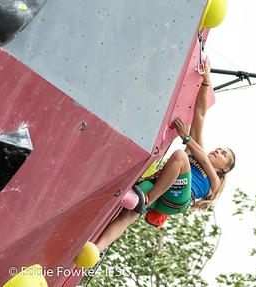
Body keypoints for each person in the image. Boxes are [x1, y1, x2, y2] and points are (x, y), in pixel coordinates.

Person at [95, 58, 236, 253]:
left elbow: (202, 159)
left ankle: (149, 198)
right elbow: (200, 114)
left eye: (223, 154)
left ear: (224, 168)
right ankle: (96, 248)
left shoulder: (214, 182)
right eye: (219, 148)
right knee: (128, 215)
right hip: (160, 190)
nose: (217, 151)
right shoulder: (197, 150)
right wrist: (206, 79)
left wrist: (187, 139)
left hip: (175, 201)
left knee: (180, 156)